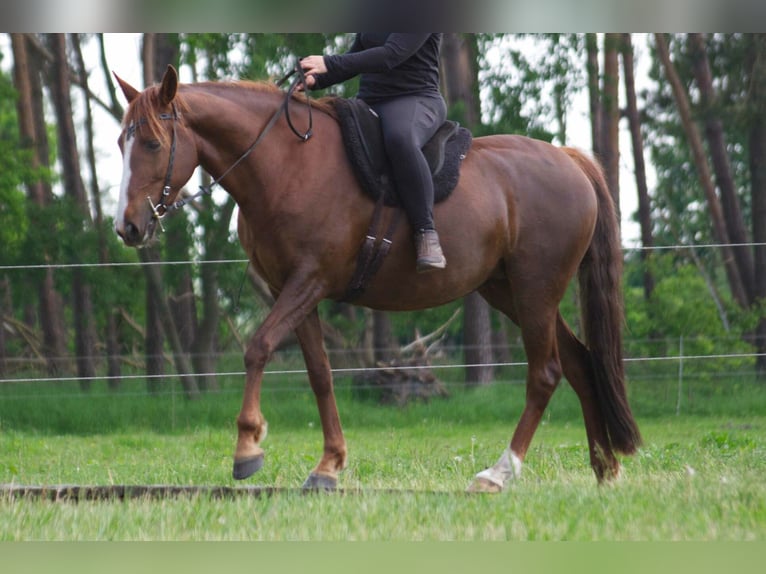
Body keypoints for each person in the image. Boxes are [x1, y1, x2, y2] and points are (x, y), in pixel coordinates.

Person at [301, 33, 448, 272]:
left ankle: (426, 232)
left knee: (400, 139)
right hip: (369, 102)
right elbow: (355, 57)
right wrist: (314, 79)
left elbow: (391, 55)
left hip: (417, 100)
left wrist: (328, 62)